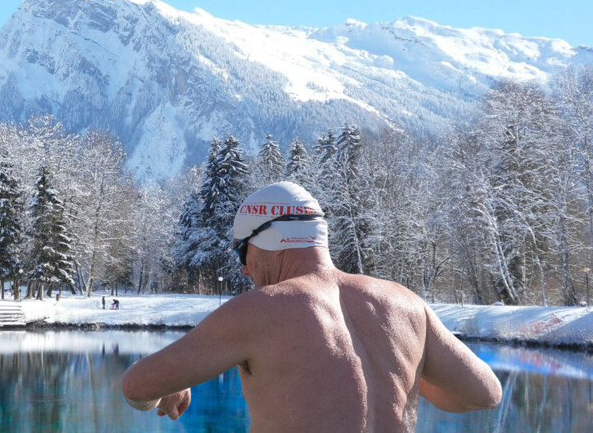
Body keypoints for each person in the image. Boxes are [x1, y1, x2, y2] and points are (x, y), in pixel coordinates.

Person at [120, 182, 501, 431]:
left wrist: (168, 386)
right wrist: (403, 371)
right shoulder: (404, 303)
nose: (244, 267)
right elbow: (484, 393)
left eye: (242, 251)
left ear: (265, 239)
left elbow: (136, 386)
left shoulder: (261, 309)